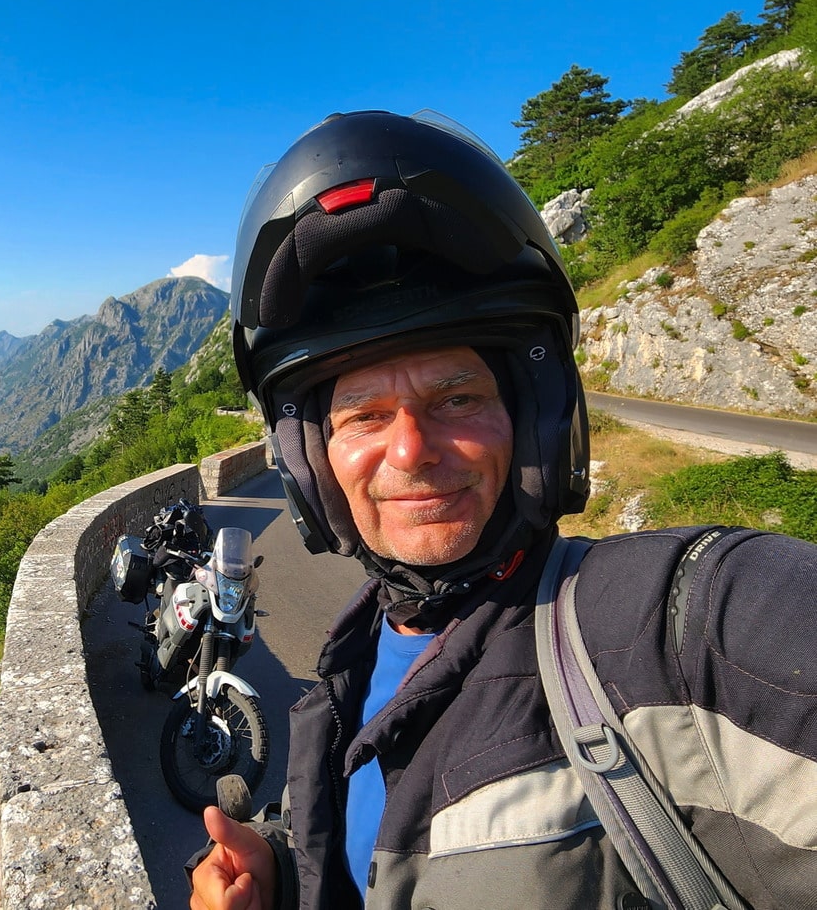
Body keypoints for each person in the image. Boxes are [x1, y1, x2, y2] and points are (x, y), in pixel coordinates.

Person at [188, 110, 817, 910]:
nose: (412, 450)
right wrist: (285, 876)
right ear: (311, 464)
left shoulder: (683, 624)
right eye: (364, 415)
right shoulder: (355, 656)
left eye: (457, 396)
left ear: (536, 419)